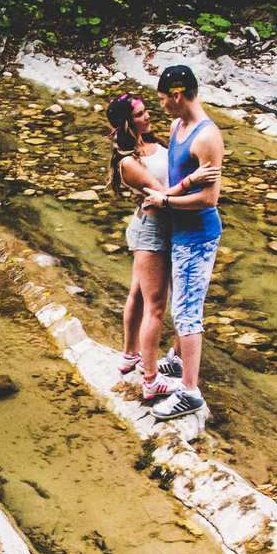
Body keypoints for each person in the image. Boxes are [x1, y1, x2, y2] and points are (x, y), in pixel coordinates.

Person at [140, 64, 223, 421]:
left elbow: (210, 199)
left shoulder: (207, 137)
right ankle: (176, 364)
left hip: (198, 234)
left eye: (162, 99)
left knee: (187, 314)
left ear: (176, 95)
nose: (160, 107)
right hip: (179, 233)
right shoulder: (178, 126)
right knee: (179, 305)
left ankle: (190, 393)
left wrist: (167, 202)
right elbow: (182, 180)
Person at [104, 93, 176, 398]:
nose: (147, 117)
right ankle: (150, 380)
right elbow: (164, 194)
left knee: (136, 293)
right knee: (156, 306)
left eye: (146, 111)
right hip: (152, 232)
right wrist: (199, 182)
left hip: (151, 227)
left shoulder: (151, 144)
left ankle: (130, 354)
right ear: (126, 123)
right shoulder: (128, 161)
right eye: (139, 115)